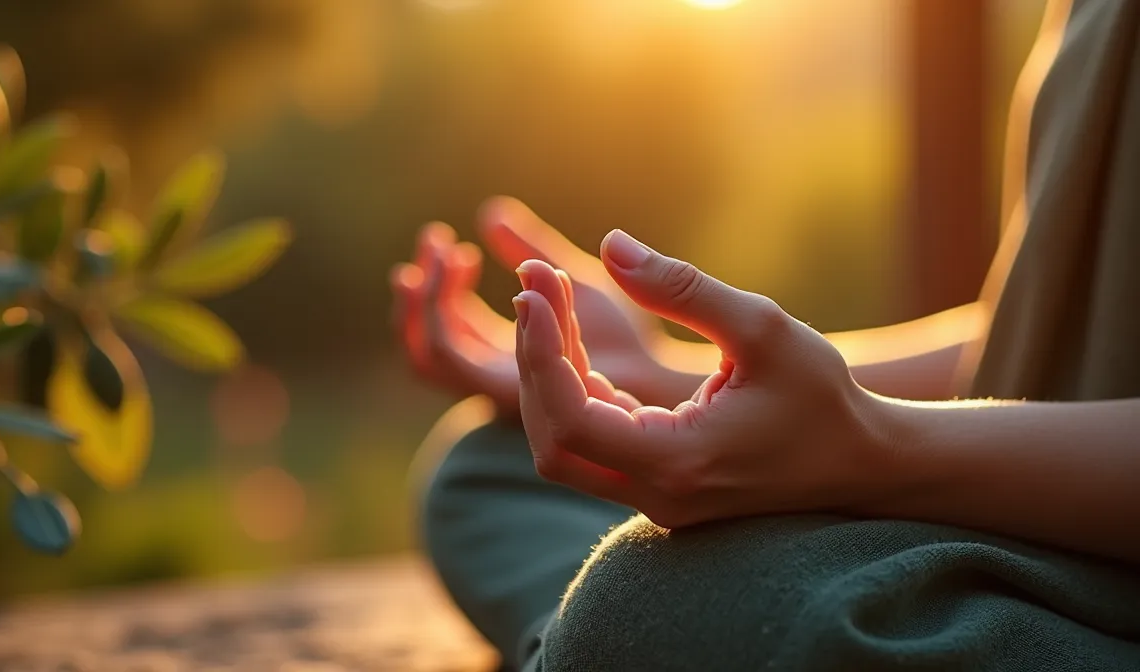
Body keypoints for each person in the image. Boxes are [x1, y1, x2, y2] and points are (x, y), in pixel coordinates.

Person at [391, 0, 1140, 669]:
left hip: (1105, 581)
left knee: (650, 599)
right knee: (490, 458)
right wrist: (668, 376)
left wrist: (875, 449)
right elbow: (1026, 338)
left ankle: (604, 648)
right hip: (1012, 505)